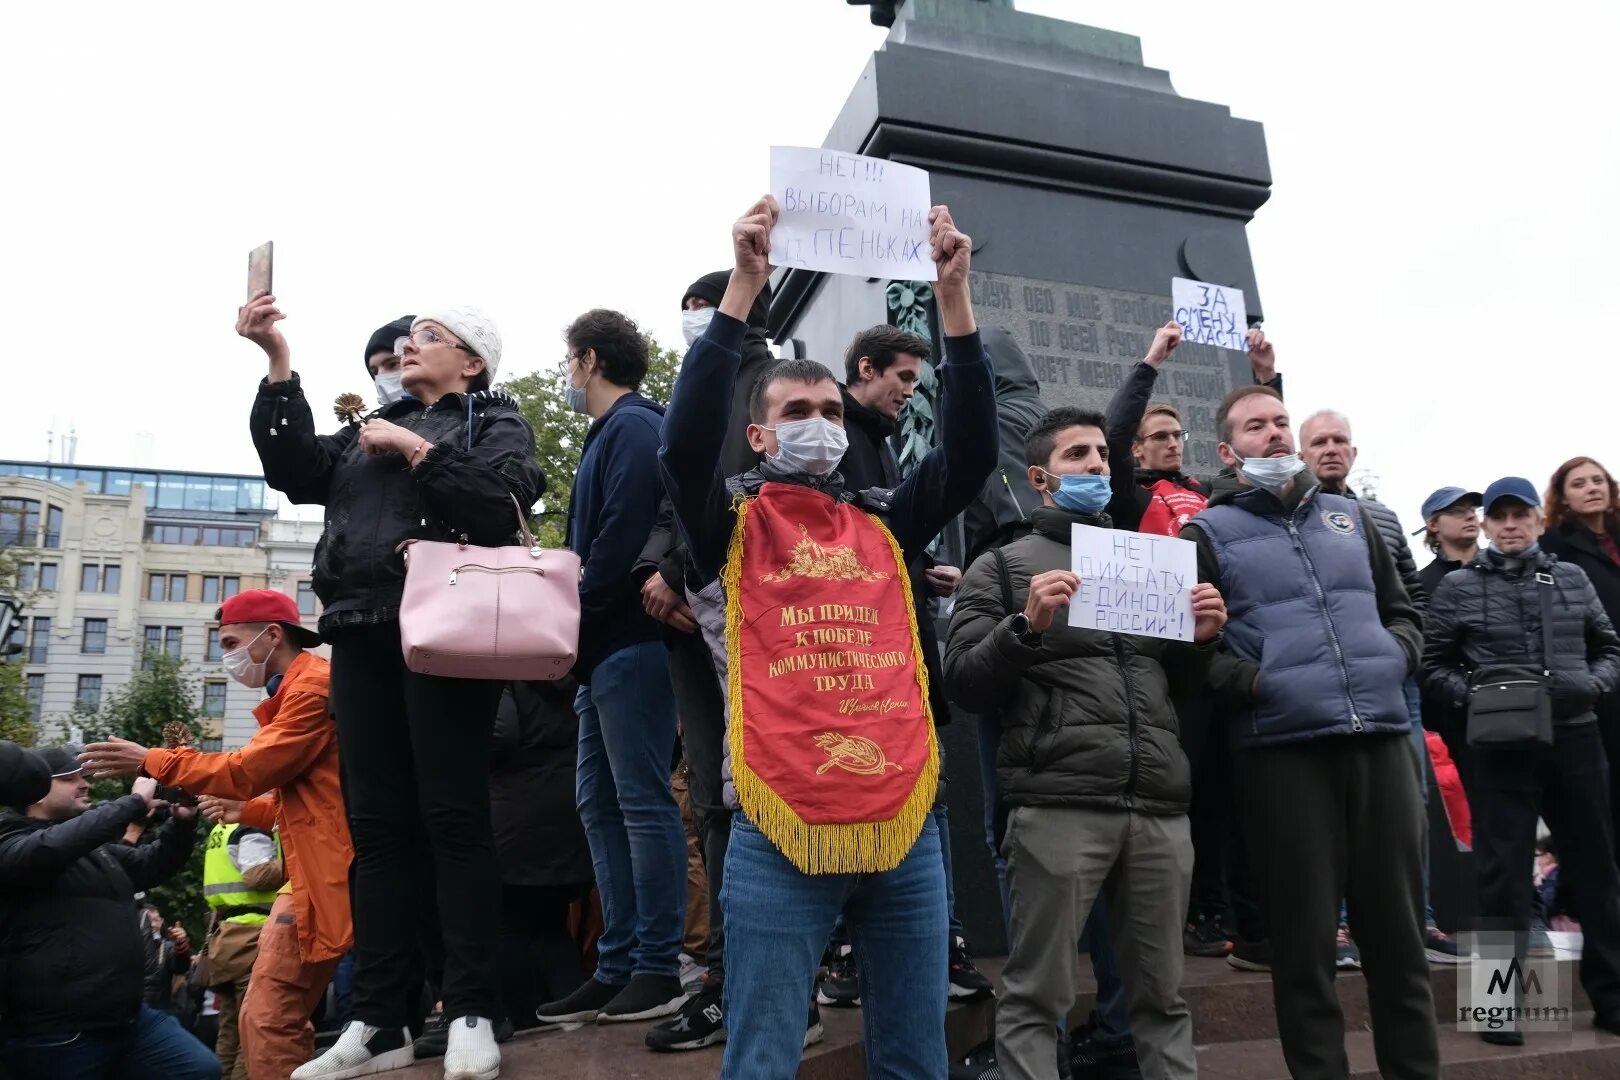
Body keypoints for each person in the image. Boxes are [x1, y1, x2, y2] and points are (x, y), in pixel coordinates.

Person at [660, 195, 995, 1079]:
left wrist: (954, 302)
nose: (823, 422)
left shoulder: (887, 520)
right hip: (776, 824)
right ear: (763, 431)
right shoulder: (722, 521)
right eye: (800, 409)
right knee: (764, 1057)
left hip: (907, 823)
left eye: (835, 411)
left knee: (917, 1060)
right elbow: (684, 446)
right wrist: (742, 291)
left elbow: (968, 455)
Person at [238, 293, 544, 1080]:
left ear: (471, 360)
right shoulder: (358, 436)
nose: (410, 346)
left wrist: (415, 447)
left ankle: (472, 1005)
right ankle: (379, 1020)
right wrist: (277, 362)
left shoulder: (491, 422)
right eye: (407, 337)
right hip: (358, 631)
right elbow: (291, 469)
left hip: (442, 631)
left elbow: (501, 503)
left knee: (452, 818)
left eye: (430, 338)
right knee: (375, 831)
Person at [945, 406, 1228, 1080]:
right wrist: (1026, 625)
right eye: (1079, 456)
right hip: (1058, 803)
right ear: (1041, 478)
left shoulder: (1148, 564)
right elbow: (963, 681)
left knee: (1161, 997)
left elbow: (1172, 685)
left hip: (1158, 806)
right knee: (1038, 995)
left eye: (1103, 454)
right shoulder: (1004, 567)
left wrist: (1202, 638)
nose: (1097, 466)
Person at [1180, 384, 1438, 1080]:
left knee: (1400, 945)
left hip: (1380, 738)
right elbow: (1193, 651)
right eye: (1256, 427)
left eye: (1281, 422)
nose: (1276, 435)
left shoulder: (1350, 518)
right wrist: (1259, 683)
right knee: (1304, 952)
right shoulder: (1204, 534)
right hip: (1281, 754)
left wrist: (1394, 660)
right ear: (1229, 451)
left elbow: (1404, 611)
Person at [83, 589, 352, 1080]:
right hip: (313, 877)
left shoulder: (311, 688)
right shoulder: (299, 687)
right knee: (266, 1018)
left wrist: (151, 758)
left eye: (230, 642)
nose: (225, 655)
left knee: (269, 1017)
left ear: (273, 635)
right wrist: (245, 808)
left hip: (322, 878)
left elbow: (250, 768)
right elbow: (311, 803)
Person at [827, 322, 994, 1006]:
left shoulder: (887, 450)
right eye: (902, 379)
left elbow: (883, 541)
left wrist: (921, 569)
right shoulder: (843, 444)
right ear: (866, 368)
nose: (908, 394)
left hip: (900, 662)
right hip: (849, 667)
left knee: (922, 802)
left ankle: (936, 945)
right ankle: (852, 954)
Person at [1421, 475, 1620, 1044]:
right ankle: (1495, 1009)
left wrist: (1593, 686)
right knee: (1501, 875)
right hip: (1502, 748)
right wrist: (1480, 699)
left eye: (1520, 515)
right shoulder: (1458, 588)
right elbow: (1432, 667)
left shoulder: (1573, 577)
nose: (1509, 526)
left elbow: (1609, 646)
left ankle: (1611, 998)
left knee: (1597, 868)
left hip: (1576, 737)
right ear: (1485, 525)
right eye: (1499, 517)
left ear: (1537, 520)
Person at [1103, 320, 1277, 965]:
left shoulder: (1209, 496)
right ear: (1139, 452)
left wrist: (1265, 381)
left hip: (1223, 649)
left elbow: (1271, 470)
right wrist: (1150, 364)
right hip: (1163, 657)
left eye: (1177, 434)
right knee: (1192, 788)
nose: (1170, 444)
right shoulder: (1125, 496)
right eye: (1158, 437)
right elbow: (1112, 436)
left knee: (1236, 796)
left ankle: (1243, 915)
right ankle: (1197, 911)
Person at [533, 309, 688, 1028]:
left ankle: (657, 964)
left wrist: (565, 606)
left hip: (629, 642)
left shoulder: (633, 427)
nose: (568, 375)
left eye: (569, 361)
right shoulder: (611, 433)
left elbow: (623, 533)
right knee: (599, 806)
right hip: (600, 653)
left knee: (640, 801)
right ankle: (618, 960)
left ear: (588, 359)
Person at [640, 270, 780, 1054]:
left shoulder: (777, 385)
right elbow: (675, 489)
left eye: (699, 308)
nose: (692, 322)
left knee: (757, 792)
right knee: (716, 802)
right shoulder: (699, 390)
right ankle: (730, 981)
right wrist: (662, 569)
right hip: (694, 617)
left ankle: (774, 979)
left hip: (767, 614)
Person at [1298, 409, 1461, 967]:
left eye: (1340, 440)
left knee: (1409, 803)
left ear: (1354, 451)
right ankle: (1342, 928)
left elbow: (1408, 597)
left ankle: (1423, 920)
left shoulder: (1383, 518)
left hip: (1393, 681)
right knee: (1341, 804)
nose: (1330, 449)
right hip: (1328, 681)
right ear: (1302, 454)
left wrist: (1403, 654)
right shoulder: (1292, 518)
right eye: (1318, 441)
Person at [0, 745, 217, 1080]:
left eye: (84, 777)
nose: (84, 784)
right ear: (36, 791)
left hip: (129, 1021)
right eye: (70, 778)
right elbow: (50, 848)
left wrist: (182, 821)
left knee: (200, 1069)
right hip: (62, 1032)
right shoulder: (12, 841)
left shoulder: (93, 851)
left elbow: (152, 863)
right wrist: (133, 803)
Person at [1541, 456, 1620, 867]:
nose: (1592, 487)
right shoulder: (1555, 545)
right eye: (1580, 483)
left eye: (1598, 480)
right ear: (1564, 497)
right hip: (1599, 684)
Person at [198, 818, 282, 1080]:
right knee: (253, 1033)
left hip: (226, 940)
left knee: (230, 1032)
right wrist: (299, 859)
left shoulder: (221, 828)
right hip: (251, 937)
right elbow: (256, 875)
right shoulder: (252, 824)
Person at [1415, 487, 1483, 599]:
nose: (1471, 516)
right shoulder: (1420, 586)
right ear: (1433, 524)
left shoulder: (1502, 569)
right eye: (1458, 511)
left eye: (1473, 510)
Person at [142, 904, 194, 1015]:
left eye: (157, 920)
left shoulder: (166, 946)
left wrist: (180, 944)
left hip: (160, 1011)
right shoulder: (127, 946)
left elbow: (181, 967)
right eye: (149, 921)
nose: (154, 925)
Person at [365, 316, 415, 407]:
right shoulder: (373, 420)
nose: (381, 376)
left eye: (392, 364)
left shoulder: (448, 416)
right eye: (375, 372)